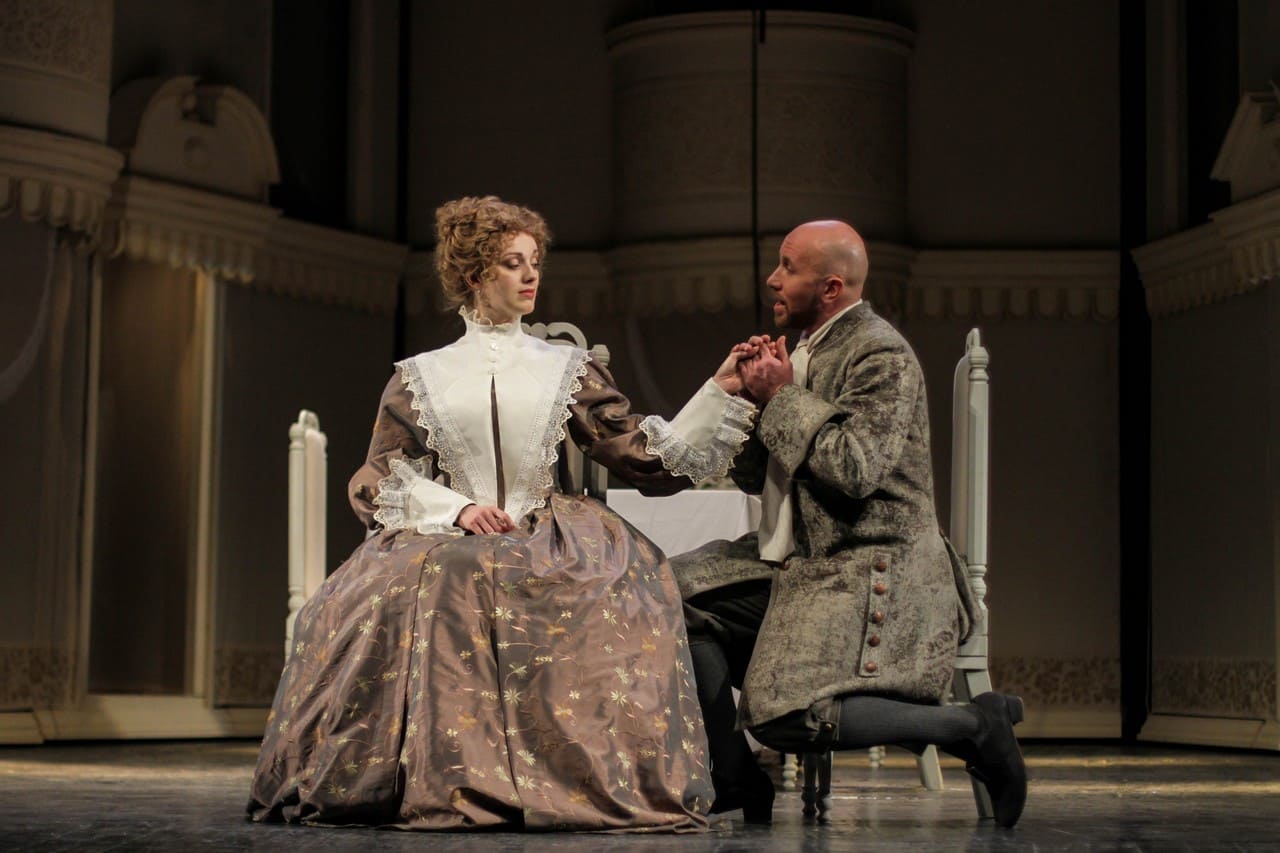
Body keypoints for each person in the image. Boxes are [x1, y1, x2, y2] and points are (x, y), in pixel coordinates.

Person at [247, 196, 759, 832]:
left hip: (551, 530)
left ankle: (572, 775)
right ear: (474, 275)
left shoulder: (567, 368)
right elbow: (377, 478)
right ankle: (452, 776)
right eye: (513, 263)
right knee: (437, 583)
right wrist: (457, 507)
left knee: (604, 588)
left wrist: (718, 391)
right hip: (449, 532)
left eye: (534, 261)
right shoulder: (420, 376)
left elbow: (637, 453)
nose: (530, 275)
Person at [672, 220, 1028, 828]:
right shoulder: (806, 350)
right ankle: (735, 777)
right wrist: (747, 398)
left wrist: (781, 397)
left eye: (788, 268)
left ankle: (973, 725)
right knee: (663, 597)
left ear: (831, 287)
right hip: (803, 560)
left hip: (872, 564)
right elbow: (761, 475)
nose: (773, 279)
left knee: (782, 716)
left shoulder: (879, 353)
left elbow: (854, 469)